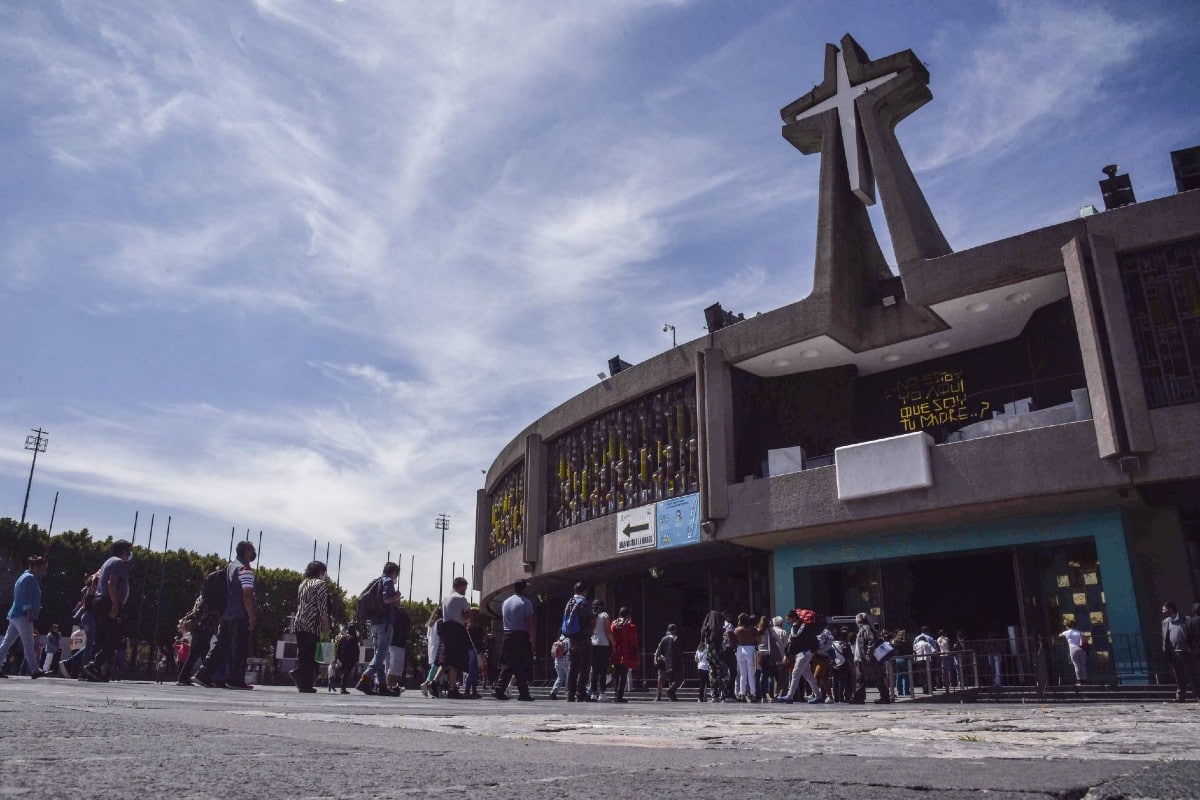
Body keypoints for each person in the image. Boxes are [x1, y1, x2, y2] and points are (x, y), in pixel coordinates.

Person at [194, 540, 257, 690]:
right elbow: (247, 594)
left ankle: (203, 674)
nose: (254, 553)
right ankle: (235, 679)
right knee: (240, 648)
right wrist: (252, 616)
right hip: (240, 614)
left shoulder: (230, 567)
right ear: (247, 551)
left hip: (226, 613)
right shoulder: (245, 568)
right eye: (252, 550)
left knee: (221, 647)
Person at [83, 540, 134, 683]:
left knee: (103, 638)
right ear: (124, 551)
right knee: (115, 637)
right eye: (129, 550)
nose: (130, 554)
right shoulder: (118, 563)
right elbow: (112, 583)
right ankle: (94, 665)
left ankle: (94, 670)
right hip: (107, 602)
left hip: (100, 602)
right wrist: (115, 604)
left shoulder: (108, 562)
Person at [0, 556, 49, 679]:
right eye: (43, 569)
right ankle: (34, 670)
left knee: (7, 643)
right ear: (35, 567)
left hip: (15, 614)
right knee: (28, 643)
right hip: (23, 615)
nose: (44, 572)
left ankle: (34, 669)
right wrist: (29, 612)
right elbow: (26, 597)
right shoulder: (30, 578)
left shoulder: (23, 577)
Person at [356, 562, 401, 695]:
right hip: (385, 622)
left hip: (374, 622)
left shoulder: (376, 581)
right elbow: (386, 600)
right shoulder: (388, 581)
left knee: (378, 654)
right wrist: (396, 597)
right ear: (394, 572)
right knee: (381, 653)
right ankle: (365, 679)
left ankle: (382, 685)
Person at [290, 561, 331, 693]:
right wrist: (326, 625)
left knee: (303, 654)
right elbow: (322, 607)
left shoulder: (303, 584)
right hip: (312, 624)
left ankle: (303, 682)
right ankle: (303, 679)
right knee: (312, 655)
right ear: (321, 572)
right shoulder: (321, 584)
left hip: (300, 621)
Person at [494, 579, 535, 701]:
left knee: (509, 664)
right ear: (523, 588)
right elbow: (529, 622)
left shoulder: (505, 602)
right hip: (520, 635)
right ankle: (523, 693)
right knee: (521, 664)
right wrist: (533, 640)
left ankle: (501, 687)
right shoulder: (526, 602)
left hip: (507, 634)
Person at [437, 577, 471, 699]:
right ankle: (452, 689)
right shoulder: (461, 598)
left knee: (448, 659)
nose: (465, 591)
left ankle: (437, 682)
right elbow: (467, 614)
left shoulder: (445, 599)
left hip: (446, 629)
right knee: (455, 662)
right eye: (465, 588)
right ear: (460, 586)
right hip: (457, 629)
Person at [176, 593, 219, 686]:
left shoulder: (201, 597)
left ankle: (201, 676)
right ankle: (200, 677)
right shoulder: (210, 597)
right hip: (204, 627)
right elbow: (210, 612)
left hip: (197, 627)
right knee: (199, 654)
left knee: (199, 653)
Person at [781, 609, 821, 704]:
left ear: (794, 618)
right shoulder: (803, 626)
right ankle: (818, 696)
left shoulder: (797, 627)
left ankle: (790, 696)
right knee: (808, 676)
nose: (788, 621)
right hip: (805, 653)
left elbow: (792, 642)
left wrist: (787, 654)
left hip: (803, 654)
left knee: (795, 674)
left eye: (789, 619)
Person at [562, 583, 594, 702]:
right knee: (585, 666)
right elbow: (590, 620)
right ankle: (581, 693)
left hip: (572, 638)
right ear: (584, 591)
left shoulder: (570, 602)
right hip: (583, 638)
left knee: (573, 666)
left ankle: (570, 693)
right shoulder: (585, 603)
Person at [854, 613, 891, 704]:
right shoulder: (863, 628)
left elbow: (872, 640)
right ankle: (859, 698)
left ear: (859, 620)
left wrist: (868, 654)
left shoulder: (865, 628)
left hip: (865, 659)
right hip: (862, 658)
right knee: (863, 678)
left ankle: (884, 697)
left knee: (874, 678)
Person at [1161, 602, 1194, 702]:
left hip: (1187, 651)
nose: (1162, 612)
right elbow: (1165, 638)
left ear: (1170, 610)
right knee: (1178, 675)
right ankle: (1180, 695)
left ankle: (1196, 693)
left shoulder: (1186, 619)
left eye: (1164, 610)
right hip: (1174, 653)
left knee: (1192, 673)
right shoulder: (1165, 622)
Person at [608, 606, 638, 703]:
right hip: (625, 653)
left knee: (616, 674)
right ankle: (620, 695)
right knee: (623, 674)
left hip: (615, 651)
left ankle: (616, 694)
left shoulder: (613, 624)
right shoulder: (630, 626)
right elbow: (633, 642)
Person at [387, 598, 412, 697]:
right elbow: (407, 624)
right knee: (394, 666)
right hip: (397, 641)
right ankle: (390, 686)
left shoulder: (390, 612)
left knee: (392, 665)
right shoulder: (400, 613)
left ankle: (391, 685)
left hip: (392, 641)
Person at [589, 599, 612, 701]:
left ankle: (593, 693)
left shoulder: (590, 616)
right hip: (603, 644)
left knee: (594, 670)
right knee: (602, 670)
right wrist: (613, 643)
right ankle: (602, 693)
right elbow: (607, 631)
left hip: (592, 644)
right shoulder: (604, 615)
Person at [653, 623, 683, 701]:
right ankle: (672, 694)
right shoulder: (676, 638)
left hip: (663, 661)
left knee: (661, 679)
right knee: (673, 679)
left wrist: (655, 659)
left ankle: (658, 696)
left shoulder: (663, 639)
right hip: (673, 662)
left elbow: (658, 650)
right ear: (674, 630)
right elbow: (679, 651)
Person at [732, 613, 758, 702]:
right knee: (751, 672)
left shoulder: (737, 629)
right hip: (750, 648)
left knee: (743, 673)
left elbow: (733, 639)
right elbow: (757, 639)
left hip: (740, 648)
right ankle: (753, 693)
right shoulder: (752, 629)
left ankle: (742, 693)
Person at [1059, 620, 1087, 686]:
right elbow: (1085, 640)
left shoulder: (1067, 632)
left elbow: (1059, 635)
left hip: (1073, 649)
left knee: (1076, 665)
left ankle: (1079, 680)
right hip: (1082, 649)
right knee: (1082, 665)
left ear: (1067, 626)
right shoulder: (1080, 632)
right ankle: (1084, 680)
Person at [335, 624, 360, 694]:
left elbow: (338, 648)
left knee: (344, 673)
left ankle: (342, 688)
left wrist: (338, 658)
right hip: (350, 659)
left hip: (342, 658)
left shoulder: (342, 638)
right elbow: (356, 650)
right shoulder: (354, 638)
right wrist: (356, 660)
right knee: (346, 673)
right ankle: (343, 688)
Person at [548, 634, 570, 700]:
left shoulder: (559, 640)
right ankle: (567, 693)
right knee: (567, 678)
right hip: (566, 662)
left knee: (560, 677)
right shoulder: (569, 641)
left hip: (557, 662)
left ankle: (553, 692)